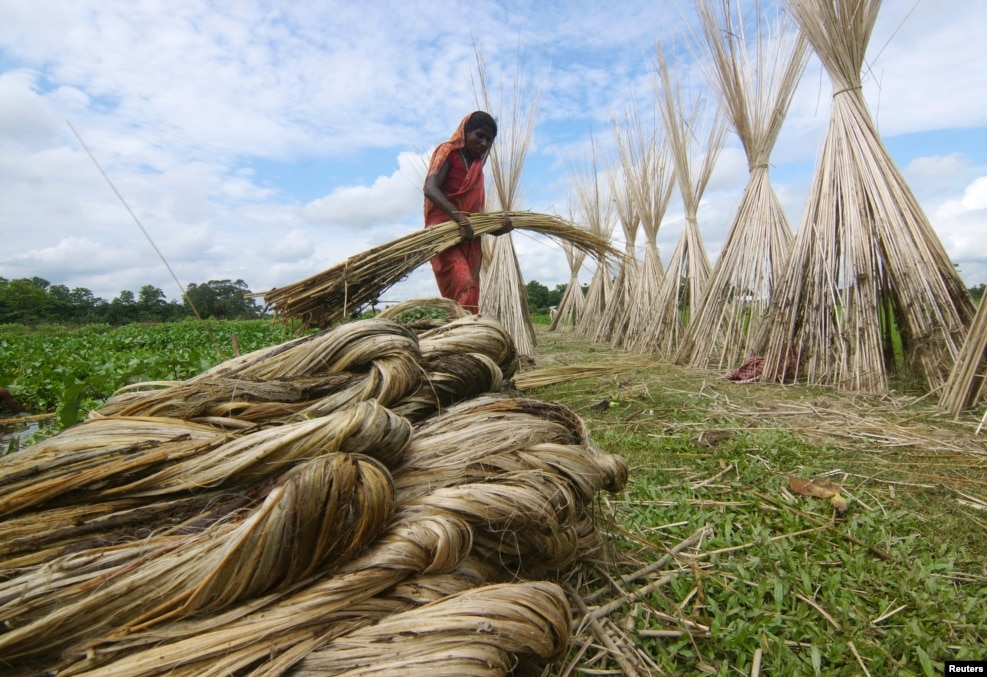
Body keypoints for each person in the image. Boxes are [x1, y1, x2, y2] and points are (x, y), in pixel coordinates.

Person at [423, 111, 512, 314]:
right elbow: (430, 188)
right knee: (462, 283)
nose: (483, 143)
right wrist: (460, 220)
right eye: (479, 135)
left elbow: (475, 219)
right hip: (444, 232)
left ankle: (461, 337)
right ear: (465, 132)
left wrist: (500, 228)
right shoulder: (448, 152)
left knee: (470, 288)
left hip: (469, 237)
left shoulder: (476, 168)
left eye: (489, 140)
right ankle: (463, 333)